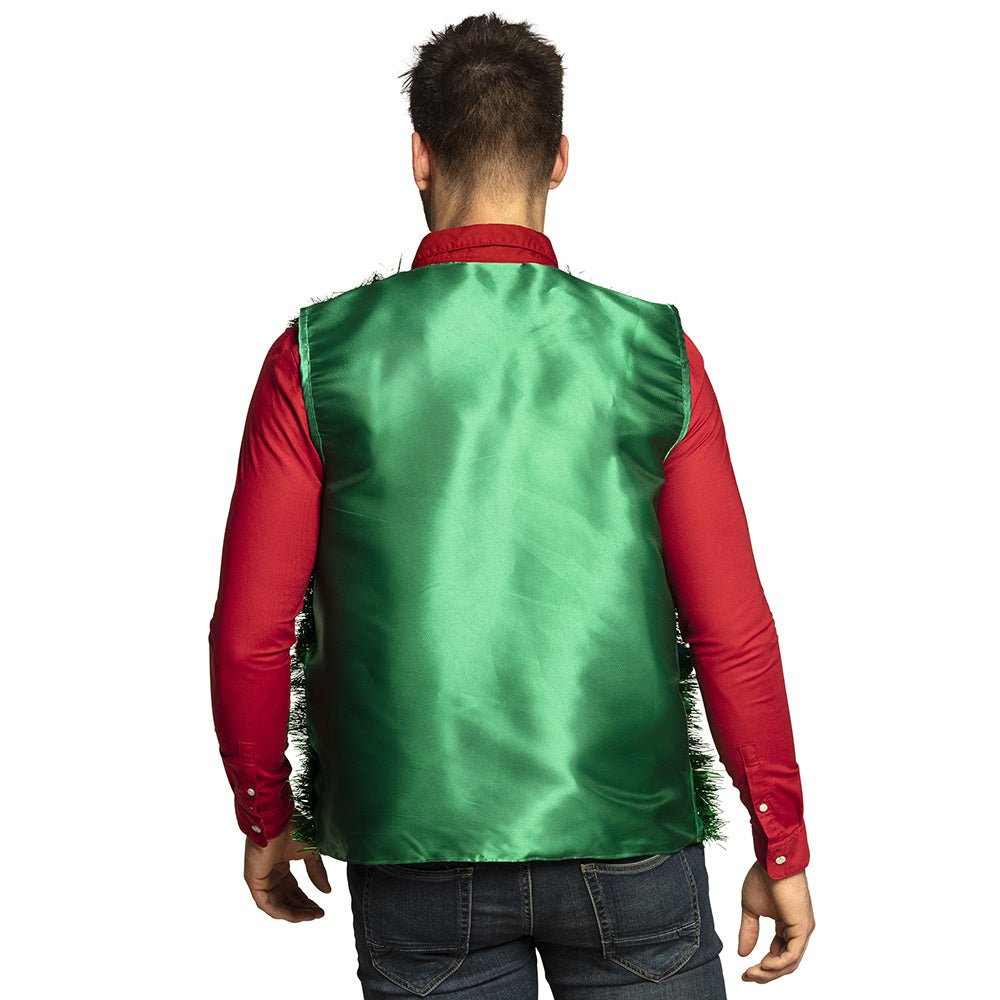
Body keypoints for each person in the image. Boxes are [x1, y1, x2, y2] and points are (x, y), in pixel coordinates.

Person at [209, 12, 816, 997]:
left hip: (414, 847)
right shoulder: (654, 354)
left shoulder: (317, 359)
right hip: (628, 839)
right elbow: (731, 630)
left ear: (418, 154)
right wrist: (779, 841)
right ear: (559, 159)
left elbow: (250, 634)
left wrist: (265, 814)